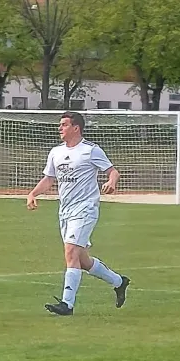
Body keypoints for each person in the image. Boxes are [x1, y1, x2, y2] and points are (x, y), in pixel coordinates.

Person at [26, 111, 130, 316]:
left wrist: (111, 182)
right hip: (65, 210)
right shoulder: (55, 152)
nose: (60, 128)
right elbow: (49, 179)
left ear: (76, 128)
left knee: (71, 252)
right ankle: (119, 282)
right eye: (60, 124)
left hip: (85, 208)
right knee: (82, 260)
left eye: (64, 124)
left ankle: (67, 304)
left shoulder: (90, 150)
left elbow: (113, 171)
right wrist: (32, 193)